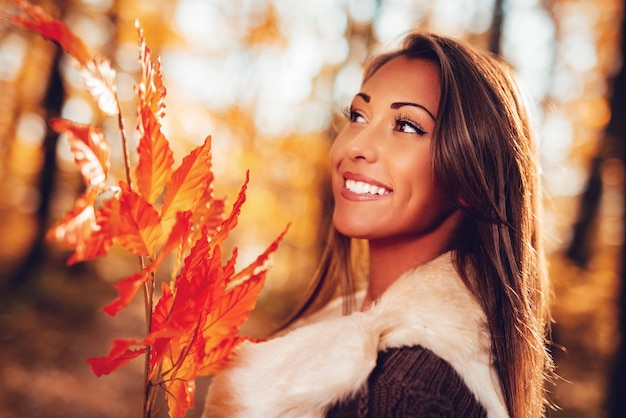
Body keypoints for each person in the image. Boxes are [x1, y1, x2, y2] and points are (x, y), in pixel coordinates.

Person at [202, 31, 554, 418]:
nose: (355, 146)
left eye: (406, 126)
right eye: (358, 115)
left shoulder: (408, 392)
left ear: (470, 180)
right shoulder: (337, 341)